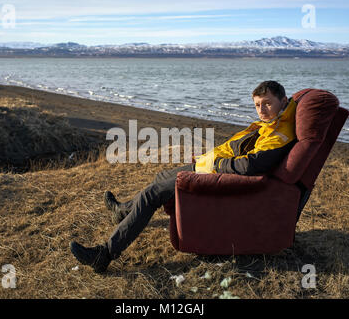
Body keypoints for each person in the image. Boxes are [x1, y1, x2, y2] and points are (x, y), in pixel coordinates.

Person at [70, 80, 298, 273]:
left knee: (152, 195)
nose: (262, 110)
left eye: (267, 103)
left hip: (217, 175)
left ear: (284, 101)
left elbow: (250, 165)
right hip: (210, 165)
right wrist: (208, 157)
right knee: (160, 178)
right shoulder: (272, 124)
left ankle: (106, 254)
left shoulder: (280, 132)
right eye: (258, 105)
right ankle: (122, 212)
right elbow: (240, 152)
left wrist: (216, 162)